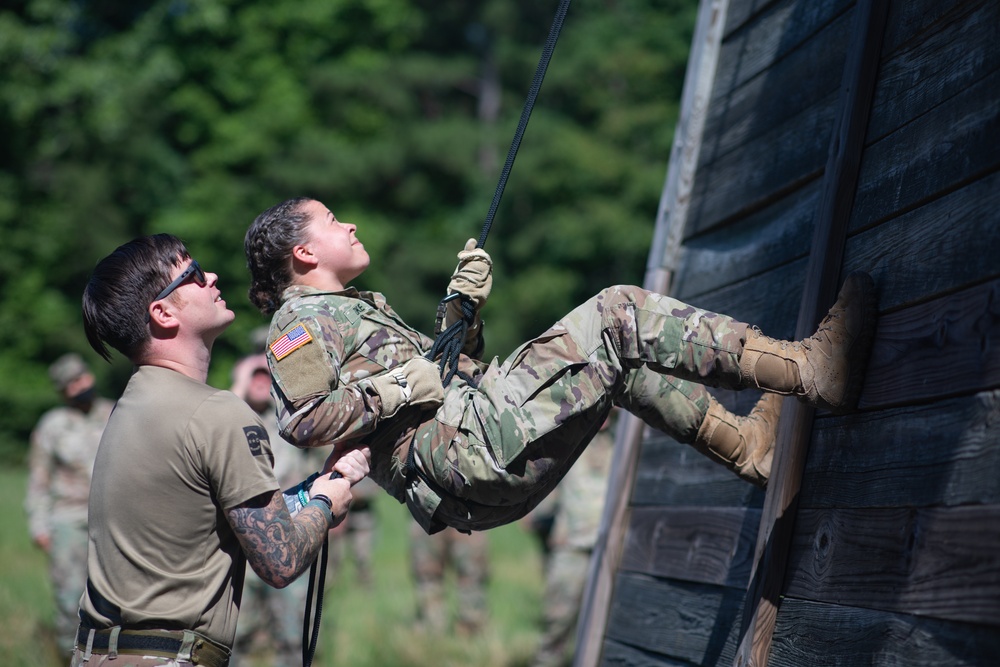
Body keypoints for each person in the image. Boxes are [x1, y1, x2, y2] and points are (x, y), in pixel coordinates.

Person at [243, 197, 877, 536]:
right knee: (616, 313)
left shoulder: (348, 312)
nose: (349, 223)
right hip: (462, 456)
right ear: (303, 251)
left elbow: (449, 375)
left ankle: (748, 447)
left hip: (470, 458)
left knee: (616, 364)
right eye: (331, 221)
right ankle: (810, 368)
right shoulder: (297, 328)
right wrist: (401, 383)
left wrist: (461, 311)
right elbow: (302, 422)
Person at [73, 234, 371, 667]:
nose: (210, 276)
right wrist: (329, 500)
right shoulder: (217, 412)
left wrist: (313, 487)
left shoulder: (132, 404)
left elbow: (216, 525)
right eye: (192, 275)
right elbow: (280, 560)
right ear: (162, 312)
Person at [228, 353, 329, 667]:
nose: (260, 382)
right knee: (235, 636)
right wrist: (239, 383)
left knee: (293, 633)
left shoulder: (290, 421)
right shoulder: (230, 420)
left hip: (291, 536)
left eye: (265, 376)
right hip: (241, 543)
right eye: (253, 377)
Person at [25, 353, 114, 657]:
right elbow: (39, 479)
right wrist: (39, 525)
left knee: (114, 597)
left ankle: (107, 657)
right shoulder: (53, 425)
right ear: (62, 391)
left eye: (81, 378)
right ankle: (70, 655)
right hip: (69, 518)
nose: (79, 386)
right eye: (70, 384)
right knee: (69, 595)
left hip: (112, 517)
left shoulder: (115, 412)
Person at [530, 410, 616, 667]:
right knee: (557, 622)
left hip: (611, 550)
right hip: (571, 547)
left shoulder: (623, 443)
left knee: (606, 627)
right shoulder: (569, 441)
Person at [408, 522, 490, 635]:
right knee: (428, 575)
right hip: (427, 511)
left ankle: (473, 634)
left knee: (471, 573)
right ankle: (431, 637)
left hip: (470, 513)